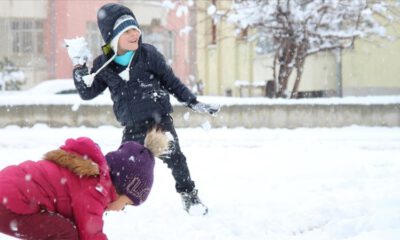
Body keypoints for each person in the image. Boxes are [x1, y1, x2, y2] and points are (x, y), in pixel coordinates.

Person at [68, 3, 219, 215]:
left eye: (136, 29)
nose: (134, 35)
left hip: (159, 123)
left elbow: (171, 82)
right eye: (127, 31)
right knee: (121, 169)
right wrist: (78, 67)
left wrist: (192, 102)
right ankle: (113, 202)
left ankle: (190, 197)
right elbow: (87, 92)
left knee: (176, 160)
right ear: (113, 37)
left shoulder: (148, 54)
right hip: (132, 127)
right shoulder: (104, 64)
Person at [0, 129, 168, 240]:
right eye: (127, 204)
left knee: (62, 229)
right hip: (7, 204)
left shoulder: (90, 177)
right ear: (121, 188)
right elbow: (90, 234)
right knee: (66, 234)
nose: (120, 209)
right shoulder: (95, 189)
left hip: (8, 193)